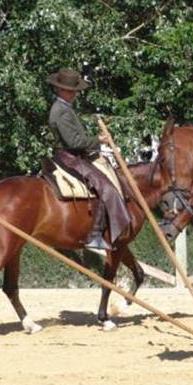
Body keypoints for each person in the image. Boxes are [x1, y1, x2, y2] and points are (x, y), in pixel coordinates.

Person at [46, 68, 131, 251]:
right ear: (60, 89)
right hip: (70, 158)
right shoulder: (61, 111)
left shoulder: (65, 108)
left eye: (75, 90)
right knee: (106, 187)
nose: (74, 94)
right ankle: (95, 236)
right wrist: (98, 140)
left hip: (72, 155)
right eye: (71, 90)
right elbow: (74, 141)